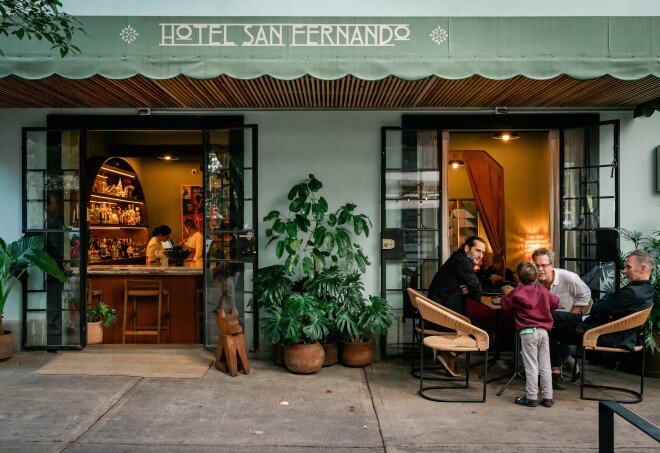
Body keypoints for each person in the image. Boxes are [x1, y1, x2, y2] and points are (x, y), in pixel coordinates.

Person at [548, 250, 655, 389]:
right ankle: (553, 369)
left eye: (628, 267)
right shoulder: (645, 289)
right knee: (549, 315)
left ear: (642, 268)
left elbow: (597, 308)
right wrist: (606, 306)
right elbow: (602, 307)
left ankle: (551, 371)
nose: (624, 270)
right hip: (592, 321)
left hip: (599, 332)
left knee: (549, 326)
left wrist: (605, 305)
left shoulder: (633, 292)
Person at [501, 261, 560, 408]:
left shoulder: (516, 293)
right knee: (545, 364)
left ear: (518, 277)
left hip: (527, 333)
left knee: (531, 364)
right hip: (543, 332)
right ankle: (548, 397)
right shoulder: (542, 290)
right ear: (535, 276)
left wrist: (506, 294)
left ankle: (531, 396)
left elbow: (505, 306)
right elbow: (555, 302)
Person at [532, 247, 591, 388]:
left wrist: (573, 314)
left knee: (563, 341)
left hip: (568, 320)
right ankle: (562, 365)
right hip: (543, 322)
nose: (539, 269)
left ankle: (554, 371)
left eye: (543, 265)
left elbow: (586, 294)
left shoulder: (569, 278)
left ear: (552, 266)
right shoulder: (531, 279)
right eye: (536, 265)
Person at [426, 235, 486, 375]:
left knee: (481, 327)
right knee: (489, 333)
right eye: (478, 250)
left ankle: (448, 354)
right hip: (442, 318)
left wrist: (468, 289)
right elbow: (477, 291)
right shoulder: (463, 262)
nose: (481, 255)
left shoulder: (458, 259)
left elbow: (472, 287)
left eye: (483, 252)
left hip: (437, 314)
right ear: (467, 248)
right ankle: (449, 355)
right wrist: (470, 291)